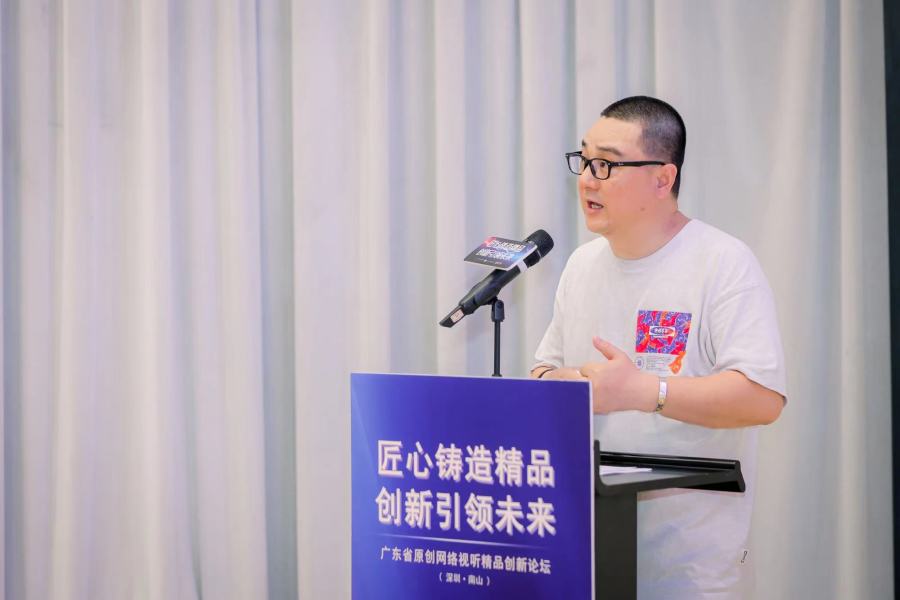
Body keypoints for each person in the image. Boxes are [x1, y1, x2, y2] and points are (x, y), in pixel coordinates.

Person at [531, 95, 786, 599]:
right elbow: (545, 369)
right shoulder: (582, 265)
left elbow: (762, 398)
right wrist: (566, 383)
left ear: (663, 178)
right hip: (589, 551)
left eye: (606, 164)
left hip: (690, 564)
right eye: (584, 160)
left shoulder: (722, 262)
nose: (587, 179)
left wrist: (643, 391)